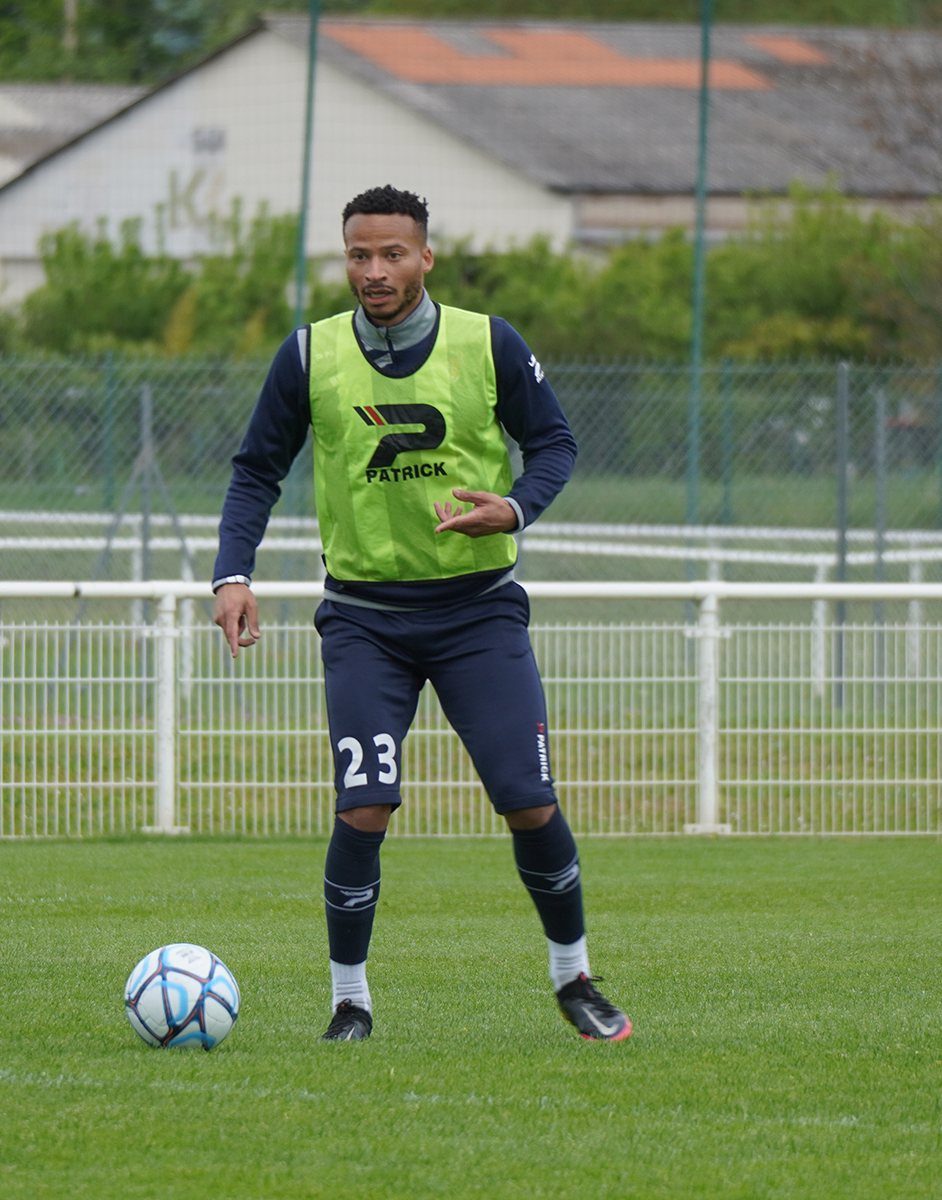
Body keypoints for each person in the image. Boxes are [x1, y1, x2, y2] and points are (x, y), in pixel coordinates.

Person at [212, 185, 629, 1043]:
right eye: (359, 254)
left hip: (479, 616)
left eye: (392, 254)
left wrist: (515, 509)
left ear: (425, 257)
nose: (374, 270)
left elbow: (554, 443)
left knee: (529, 801)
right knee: (364, 807)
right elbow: (256, 470)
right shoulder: (310, 355)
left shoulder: (488, 342)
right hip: (364, 621)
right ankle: (350, 1002)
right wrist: (232, 575)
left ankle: (574, 978)